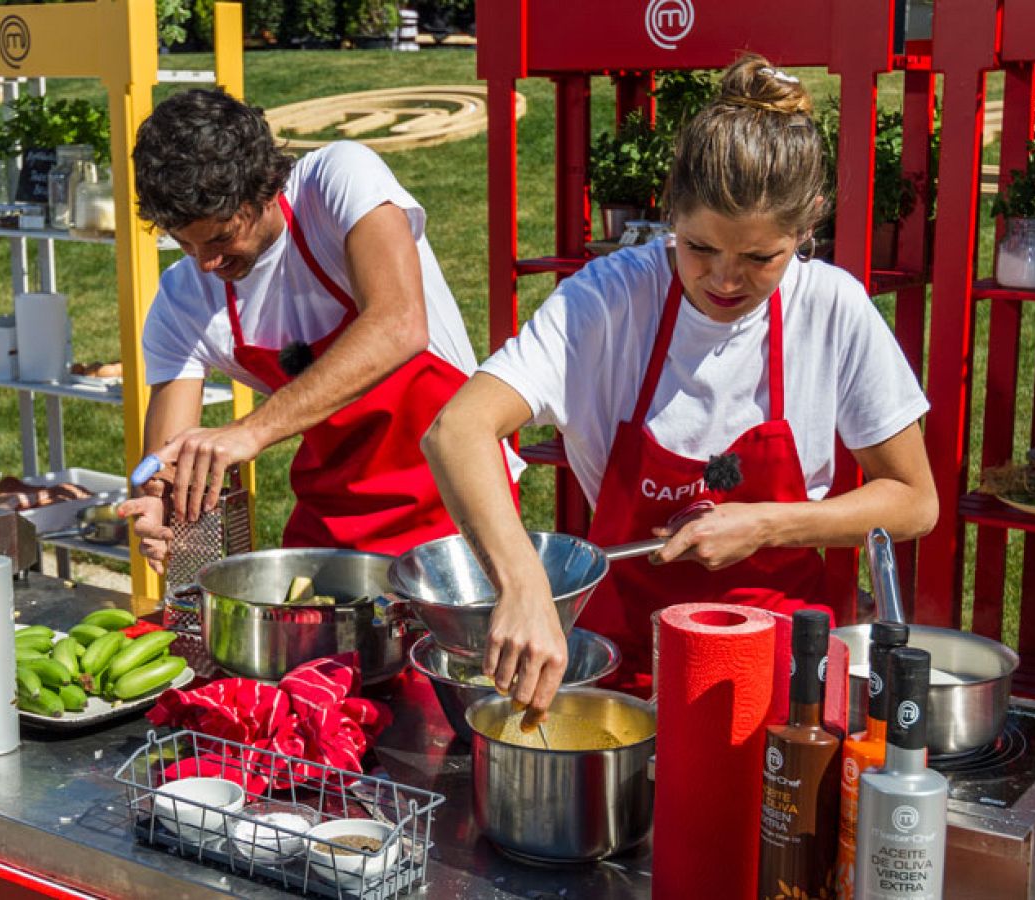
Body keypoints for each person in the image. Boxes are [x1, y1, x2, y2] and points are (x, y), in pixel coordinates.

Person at [421, 55, 937, 723]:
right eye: (699, 248)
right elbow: (456, 429)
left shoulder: (832, 308)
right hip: (624, 668)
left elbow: (913, 501)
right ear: (671, 208)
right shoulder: (610, 301)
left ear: (807, 225)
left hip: (779, 677)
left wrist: (768, 524)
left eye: (759, 258)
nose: (725, 280)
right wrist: (523, 587)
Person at [119, 88, 518, 567]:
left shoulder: (338, 179)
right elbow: (169, 460)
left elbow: (399, 324)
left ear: (266, 187)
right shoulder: (182, 301)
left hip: (460, 502)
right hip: (331, 527)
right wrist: (163, 508)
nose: (206, 263)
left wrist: (250, 432)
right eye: (186, 244)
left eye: (222, 237)